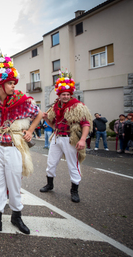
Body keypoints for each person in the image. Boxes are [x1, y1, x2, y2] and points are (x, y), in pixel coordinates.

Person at [0, 49, 42, 235]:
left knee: (14, 183)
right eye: (10, 83)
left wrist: (30, 130)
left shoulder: (22, 101)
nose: (14, 86)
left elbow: (38, 114)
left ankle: (17, 216)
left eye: (14, 83)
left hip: (13, 148)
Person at [40, 71, 92, 203]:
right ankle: (50, 184)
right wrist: (46, 119)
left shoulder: (78, 106)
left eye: (68, 94)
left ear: (71, 94)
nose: (66, 96)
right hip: (57, 137)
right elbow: (54, 125)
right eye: (63, 94)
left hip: (71, 138)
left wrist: (82, 140)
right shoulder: (56, 106)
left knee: (73, 165)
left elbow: (86, 124)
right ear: (59, 94)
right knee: (51, 162)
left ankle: (74, 191)